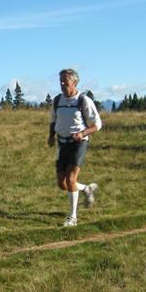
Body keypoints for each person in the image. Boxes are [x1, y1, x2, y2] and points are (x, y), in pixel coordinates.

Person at [48, 69, 102, 227]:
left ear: (75, 82)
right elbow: (53, 120)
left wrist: (83, 132)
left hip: (78, 144)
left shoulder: (83, 100)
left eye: (65, 81)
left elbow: (97, 124)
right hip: (61, 144)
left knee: (71, 179)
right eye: (61, 81)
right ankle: (86, 189)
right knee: (62, 183)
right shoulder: (57, 100)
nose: (62, 84)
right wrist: (51, 136)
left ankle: (72, 218)